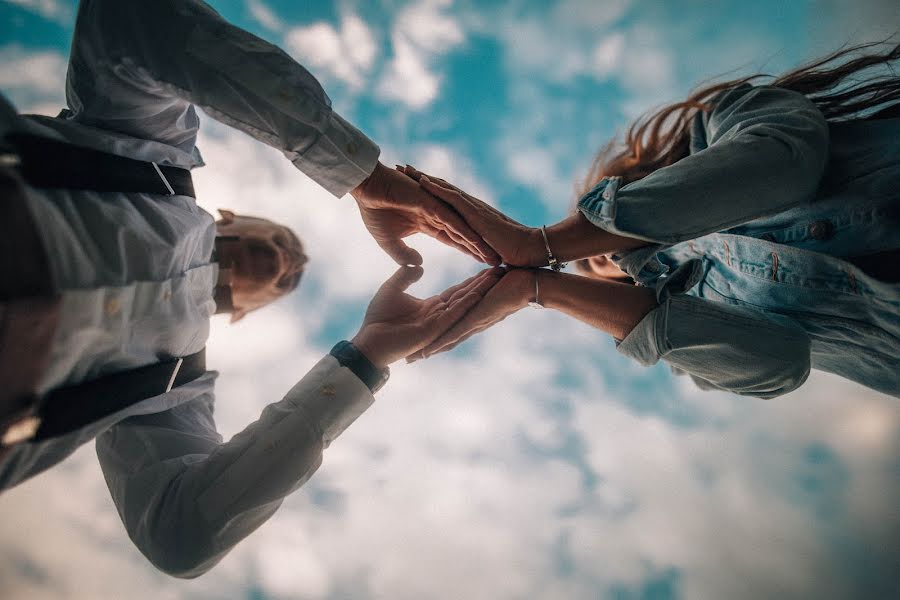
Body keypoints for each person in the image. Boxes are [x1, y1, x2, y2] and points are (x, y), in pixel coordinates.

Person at [0, 0, 501, 577]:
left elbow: (180, 537)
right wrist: (360, 172)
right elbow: (126, 15)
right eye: (283, 242)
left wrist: (365, 360)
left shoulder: (173, 392)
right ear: (233, 215)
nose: (287, 263)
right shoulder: (143, 151)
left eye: (288, 278)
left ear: (246, 314)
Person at [402, 41, 900, 399]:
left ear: (626, 179)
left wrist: (544, 243)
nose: (598, 260)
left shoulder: (723, 120)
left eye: (589, 253)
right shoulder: (689, 326)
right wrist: (538, 288)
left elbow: (785, 165)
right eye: (599, 268)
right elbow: (780, 363)